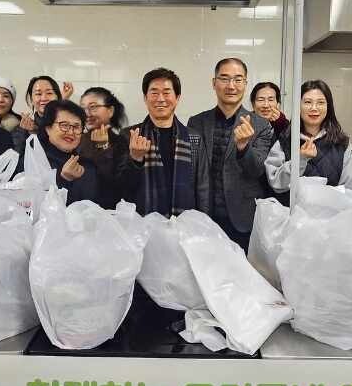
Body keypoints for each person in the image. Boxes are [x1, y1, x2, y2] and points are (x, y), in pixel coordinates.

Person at [188, 58, 274, 250]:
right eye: (224, 79)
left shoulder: (261, 125)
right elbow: (192, 170)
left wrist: (244, 148)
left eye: (237, 79)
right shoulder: (197, 122)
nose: (231, 86)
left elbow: (258, 170)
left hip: (242, 220)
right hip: (204, 217)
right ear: (214, 83)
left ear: (245, 83)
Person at [121, 68, 202, 218]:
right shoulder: (129, 135)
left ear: (177, 97)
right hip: (143, 223)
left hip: (185, 224)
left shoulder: (193, 137)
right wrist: (135, 160)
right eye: (154, 93)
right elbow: (122, 188)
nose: (160, 99)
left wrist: (203, 224)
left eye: (166, 92)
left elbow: (202, 187)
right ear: (145, 98)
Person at [264, 80, 352, 202]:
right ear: (298, 106)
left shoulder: (342, 144)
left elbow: (351, 193)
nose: (314, 108)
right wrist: (300, 160)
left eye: (320, 102)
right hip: (291, 213)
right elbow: (276, 183)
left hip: (332, 213)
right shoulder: (284, 140)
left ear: (328, 107)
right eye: (308, 102)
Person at [78, 86, 130, 209]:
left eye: (93, 107)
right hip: (78, 210)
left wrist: (103, 148)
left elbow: (120, 183)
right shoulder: (76, 139)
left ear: (110, 111)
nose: (87, 113)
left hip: (109, 212)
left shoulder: (122, 141)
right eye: (83, 108)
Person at [37, 100, 98, 204]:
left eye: (76, 127)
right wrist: (64, 180)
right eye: (64, 125)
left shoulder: (88, 166)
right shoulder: (34, 161)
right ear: (48, 128)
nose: (71, 132)